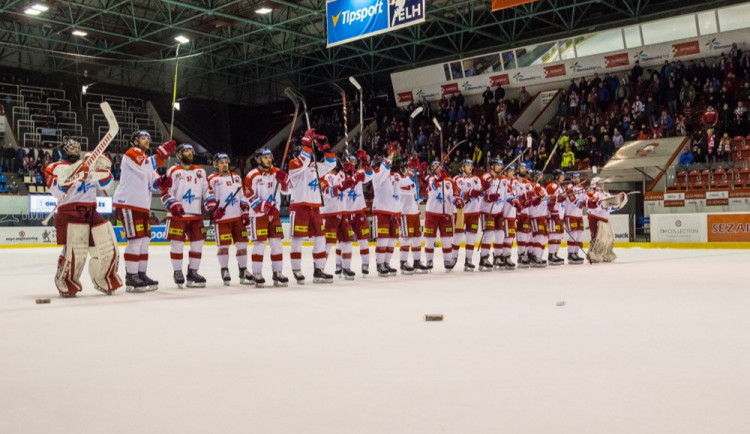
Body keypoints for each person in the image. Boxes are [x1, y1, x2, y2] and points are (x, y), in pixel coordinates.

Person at [45, 139, 121, 297]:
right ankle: (65, 280)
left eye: (76, 148)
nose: (74, 151)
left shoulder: (89, 164)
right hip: (71, 210)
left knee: (108, 246)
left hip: (92, 210)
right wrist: (77, 171)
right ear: (63, 150)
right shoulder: (55, 167)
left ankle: (104, 278)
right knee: (75, 252)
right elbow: (56, 190)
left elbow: (106, 184)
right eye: (70, 148)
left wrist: (103, 167)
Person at [113, 131, 176, 291]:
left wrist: (162, 182)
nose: (146, 140)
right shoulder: (132, 154)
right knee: (135, 240)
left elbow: (152, 182)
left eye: (148, 138)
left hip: (141, 206)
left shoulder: (147, 162)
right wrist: (161, 154)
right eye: (143, 138)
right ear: (134, 141)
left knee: (144, 241)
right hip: (127, 203)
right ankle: (131, 277)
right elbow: (147, 164)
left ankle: (141, 273)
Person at [287, 129, 337, 284]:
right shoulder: (294, 166)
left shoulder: (315, 168)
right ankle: (296, 270)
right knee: (297, 239)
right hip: (299, 206)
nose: (308, 157)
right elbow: (302, 161)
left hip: (315, 207)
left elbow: (331, 163)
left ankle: (319, 270)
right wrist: (306, 144)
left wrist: (325, 148)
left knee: (320, 239)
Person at [160, 144, 209, 288]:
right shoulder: (173, 171)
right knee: (177, 244)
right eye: (186, 151)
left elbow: (207, 191)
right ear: (179, 155)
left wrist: (211, 203)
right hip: (177, 216)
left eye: (191, 151)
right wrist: (173, 204)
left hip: (195, 215)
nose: (190, 153)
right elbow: (165, 192)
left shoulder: (201, 171)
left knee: (198, 244)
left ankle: (193, 272)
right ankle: (177, 272)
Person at [243, 147, 289, 287]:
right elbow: (248, 194)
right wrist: (262, 205)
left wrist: (284, 180)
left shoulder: (277, 172)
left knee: (277, 245)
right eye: (265, 157)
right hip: (258, 215)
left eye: (270, 157)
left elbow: (288, 190)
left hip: (274, 215)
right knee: (259, 245)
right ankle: (257, 273)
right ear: (258, 159)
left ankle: (277, 273)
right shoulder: (252, 175)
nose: (269, 160)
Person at [207, 153, 253, 286]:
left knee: (242, 246)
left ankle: (243, 270)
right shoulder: (212, 179)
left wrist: (245, 210)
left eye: (226, 162)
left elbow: (243, 197)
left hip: (237, 218)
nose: (224, 164)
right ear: (215, 165)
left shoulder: (237, 178)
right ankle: (224, 269)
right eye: (221, 162)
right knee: (223, 247)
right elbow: (208, 197)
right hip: (222, 220)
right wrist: (214, 211)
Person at [337, 151, 373, 277]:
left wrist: (366, 162)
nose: (353, 163)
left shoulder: (359, 172)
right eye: (350, 161)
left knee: (363, 239)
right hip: (345, 212)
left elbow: (370, 175)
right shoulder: (340, 176)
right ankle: (340, 264)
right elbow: (338, 187)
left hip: (359, 211)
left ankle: (365, 264)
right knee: (343, 241)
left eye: (354, 161)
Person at [370, 143, 402, 277]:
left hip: (392, 211)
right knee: (383, 239)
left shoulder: (388, 175)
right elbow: (384, 170)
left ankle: (387, 263)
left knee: (393, 239)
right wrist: (389, 157)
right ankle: (380, 264)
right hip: (381, 211)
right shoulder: (376, 176)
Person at [423, 160, 461, 271]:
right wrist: (437, 180)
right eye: (435, 166)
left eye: (439, 165)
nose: (438, 167)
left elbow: (453, 196)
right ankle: (429, 260)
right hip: (432, 213)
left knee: (447, 239)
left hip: (446, 214)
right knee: (429, 239)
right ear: (431, 169)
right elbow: (432, 192)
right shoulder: (429, 179)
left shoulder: (449, 181)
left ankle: (447, 260)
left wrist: (457, 201)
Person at [397, 157, 428, 274]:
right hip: (405, 213)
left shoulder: (414, 180)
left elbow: (417, 198)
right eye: (409, 167)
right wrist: (417, 180)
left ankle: (416, 261)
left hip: (415, 212)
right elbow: (408, 190)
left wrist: (422, 192)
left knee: (417, 238)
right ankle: (403, 262)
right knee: (406, 238)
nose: (410, 170)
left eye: (412, 167)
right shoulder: (401, 180)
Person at [453, 159, 483, 271]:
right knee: (457, 236)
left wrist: (483, 191)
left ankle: (468, 260)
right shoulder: (456, 179)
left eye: (471, 165)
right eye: (467, 165)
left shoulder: (476, 179)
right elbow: (456, 194)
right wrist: (468, 194)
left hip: (474, 212)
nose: (470, 167)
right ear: (462, 167)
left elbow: (479, 193)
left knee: (471, 237)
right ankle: (454, 257)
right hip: (461, 212)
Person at [478, 157, 505, 271]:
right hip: (487, 210)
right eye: (498, 165)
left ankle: (497, 256)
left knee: (500, 234)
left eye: (501, 165)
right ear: (492, 166)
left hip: (499, 210)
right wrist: (489, 197)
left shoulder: (502, 179)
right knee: (489, 235)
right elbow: (482, 191)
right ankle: (484, 258)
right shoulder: (486, 177)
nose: (500, 167)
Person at [563, 172, 586, 264]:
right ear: (572, 178)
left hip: (579, 215)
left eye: (578, 178)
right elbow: (572, 199)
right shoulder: (569, 187)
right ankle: (570, 254)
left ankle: (576, 253)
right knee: (573, 234)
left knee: (579, 234)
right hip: (570, 214)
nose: (576, 179)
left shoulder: (582, 188)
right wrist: (582, 205)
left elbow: (585, 199)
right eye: (575, 178)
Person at [545, 169, 566, 265]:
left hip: (560, 215)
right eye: (562, 175)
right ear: (557, 176)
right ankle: (551, 255)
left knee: (559, 235)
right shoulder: (551, 186)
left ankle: (555, 254)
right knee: (554, 235)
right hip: (553, 215)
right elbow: (548, 200)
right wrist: (553, 212)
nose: (563, 177)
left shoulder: (561, 187)